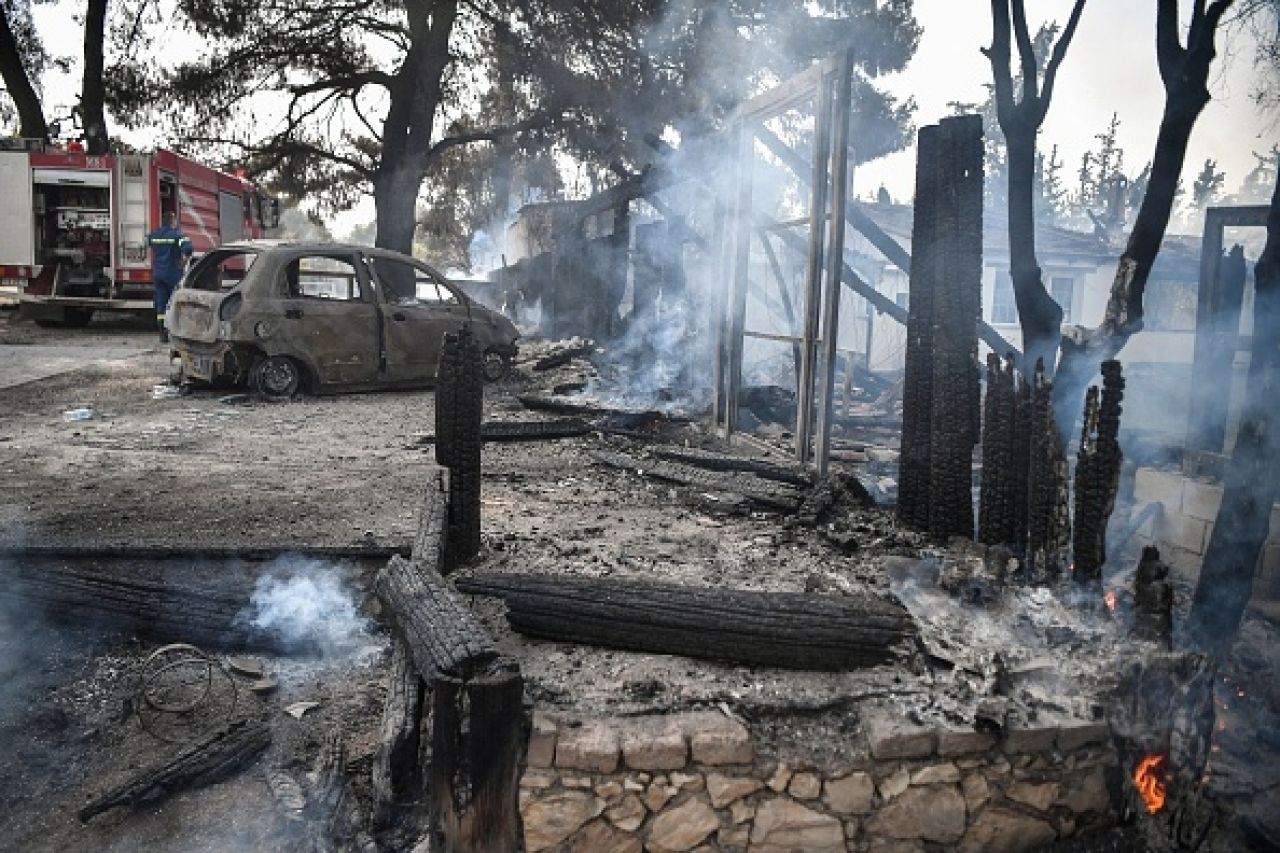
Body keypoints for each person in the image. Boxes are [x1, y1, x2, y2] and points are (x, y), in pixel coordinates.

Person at [147, 212, 193, 341]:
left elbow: (148, 242)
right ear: (173, 221)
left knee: (161, 303)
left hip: (158, 274)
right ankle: (176, 331)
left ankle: (162, 334)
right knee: (176, 302)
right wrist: (184, 261)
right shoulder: (177, 235)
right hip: (173, 273)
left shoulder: (154, 235)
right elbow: (188, 249)